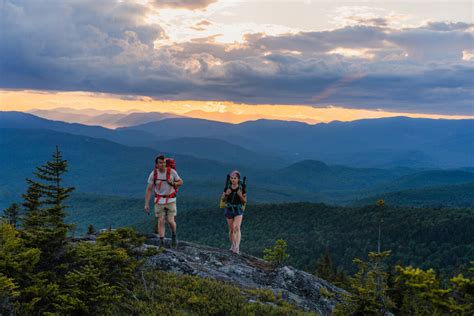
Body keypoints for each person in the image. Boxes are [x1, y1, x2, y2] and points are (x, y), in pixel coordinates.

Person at [144, 155, 183, 248]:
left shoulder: (172, 172)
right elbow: (149, 189)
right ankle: (162, 242)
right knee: (161, 220)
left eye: (164, 162)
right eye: (161, 163)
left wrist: (172, 183)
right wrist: (146, 204)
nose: (163, 164)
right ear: (156, 164)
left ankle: (173, 234)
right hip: (159, 200)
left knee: (170, 221)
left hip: (171, 200)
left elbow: (181, 182)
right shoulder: (153, 174)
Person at [221, 170, 247, 254]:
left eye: (235, 178)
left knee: (236, 227)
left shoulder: (242, 188)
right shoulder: (227, 187)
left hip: (238, 209)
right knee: (231, 229)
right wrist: (227, 194)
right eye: (232, 178)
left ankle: (237, 246)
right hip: (229, 208)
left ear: (238, 179)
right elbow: (223, 199)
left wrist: (240, 195)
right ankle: (232, 245)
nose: (233, 180)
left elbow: (244, 201)